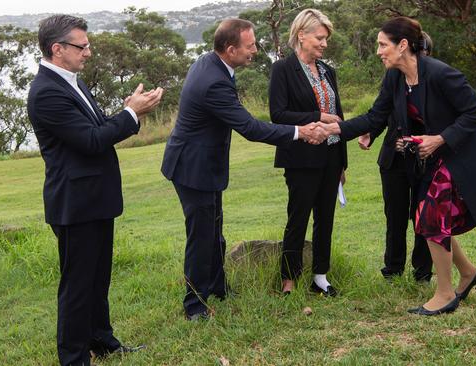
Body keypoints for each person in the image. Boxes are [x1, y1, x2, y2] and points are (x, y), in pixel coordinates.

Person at [317, 17, 476, 315]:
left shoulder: (440, 73)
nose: (379, 51)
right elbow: (374, 118)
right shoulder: (395, 77)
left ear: (403, 45)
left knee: (429, 218)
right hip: (431, 158)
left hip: (459, 153)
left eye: (383, 44)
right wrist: (335, 129)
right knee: (430, 218)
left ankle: (445, 293)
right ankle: (469, 272)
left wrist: (441, 138)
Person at [161, 18, 326, 321]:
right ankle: (195, 306)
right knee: (201, 237)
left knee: (214, 235)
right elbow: (249, 127)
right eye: (249, 46)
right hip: (192, 168)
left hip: (203, 165)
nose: (255, 50)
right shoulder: (214, 82)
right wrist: (299, 132)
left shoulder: (212, 63)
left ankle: (218, 288)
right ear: (230, 48)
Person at [27, 14, 163, 365]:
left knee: (98, 279)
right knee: (77, 286)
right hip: (75, 203)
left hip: (96, 198)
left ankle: (102, 341)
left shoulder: (73, 81)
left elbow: (99, 126)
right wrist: (131, 114)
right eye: (82, 46)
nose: (88, 52)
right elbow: (90, 141)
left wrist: (127, 111)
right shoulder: (45, 92)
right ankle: (73, 357)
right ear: (57, 49)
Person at [269, 9, 346, 296]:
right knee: (298, 217)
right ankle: (288, 279)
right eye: (320, 37)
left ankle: (320, 277)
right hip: (301, 158)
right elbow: (278, 114)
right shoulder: (282, 70)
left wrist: (343, 164)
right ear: (301, 35)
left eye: (326, 39)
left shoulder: (328, 71)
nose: (324, 43)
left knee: (325, 218)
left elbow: (339, 116)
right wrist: (318, 116)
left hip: (332, 155)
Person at [357, 31, 435, 282]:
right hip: (394, 159)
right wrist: (370, 133)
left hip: (426, 157)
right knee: (395, 216)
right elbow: (382, 110)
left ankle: (422, 272)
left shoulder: (435, 78)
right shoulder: (393, 77)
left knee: (423, 215)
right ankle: (392, 270)